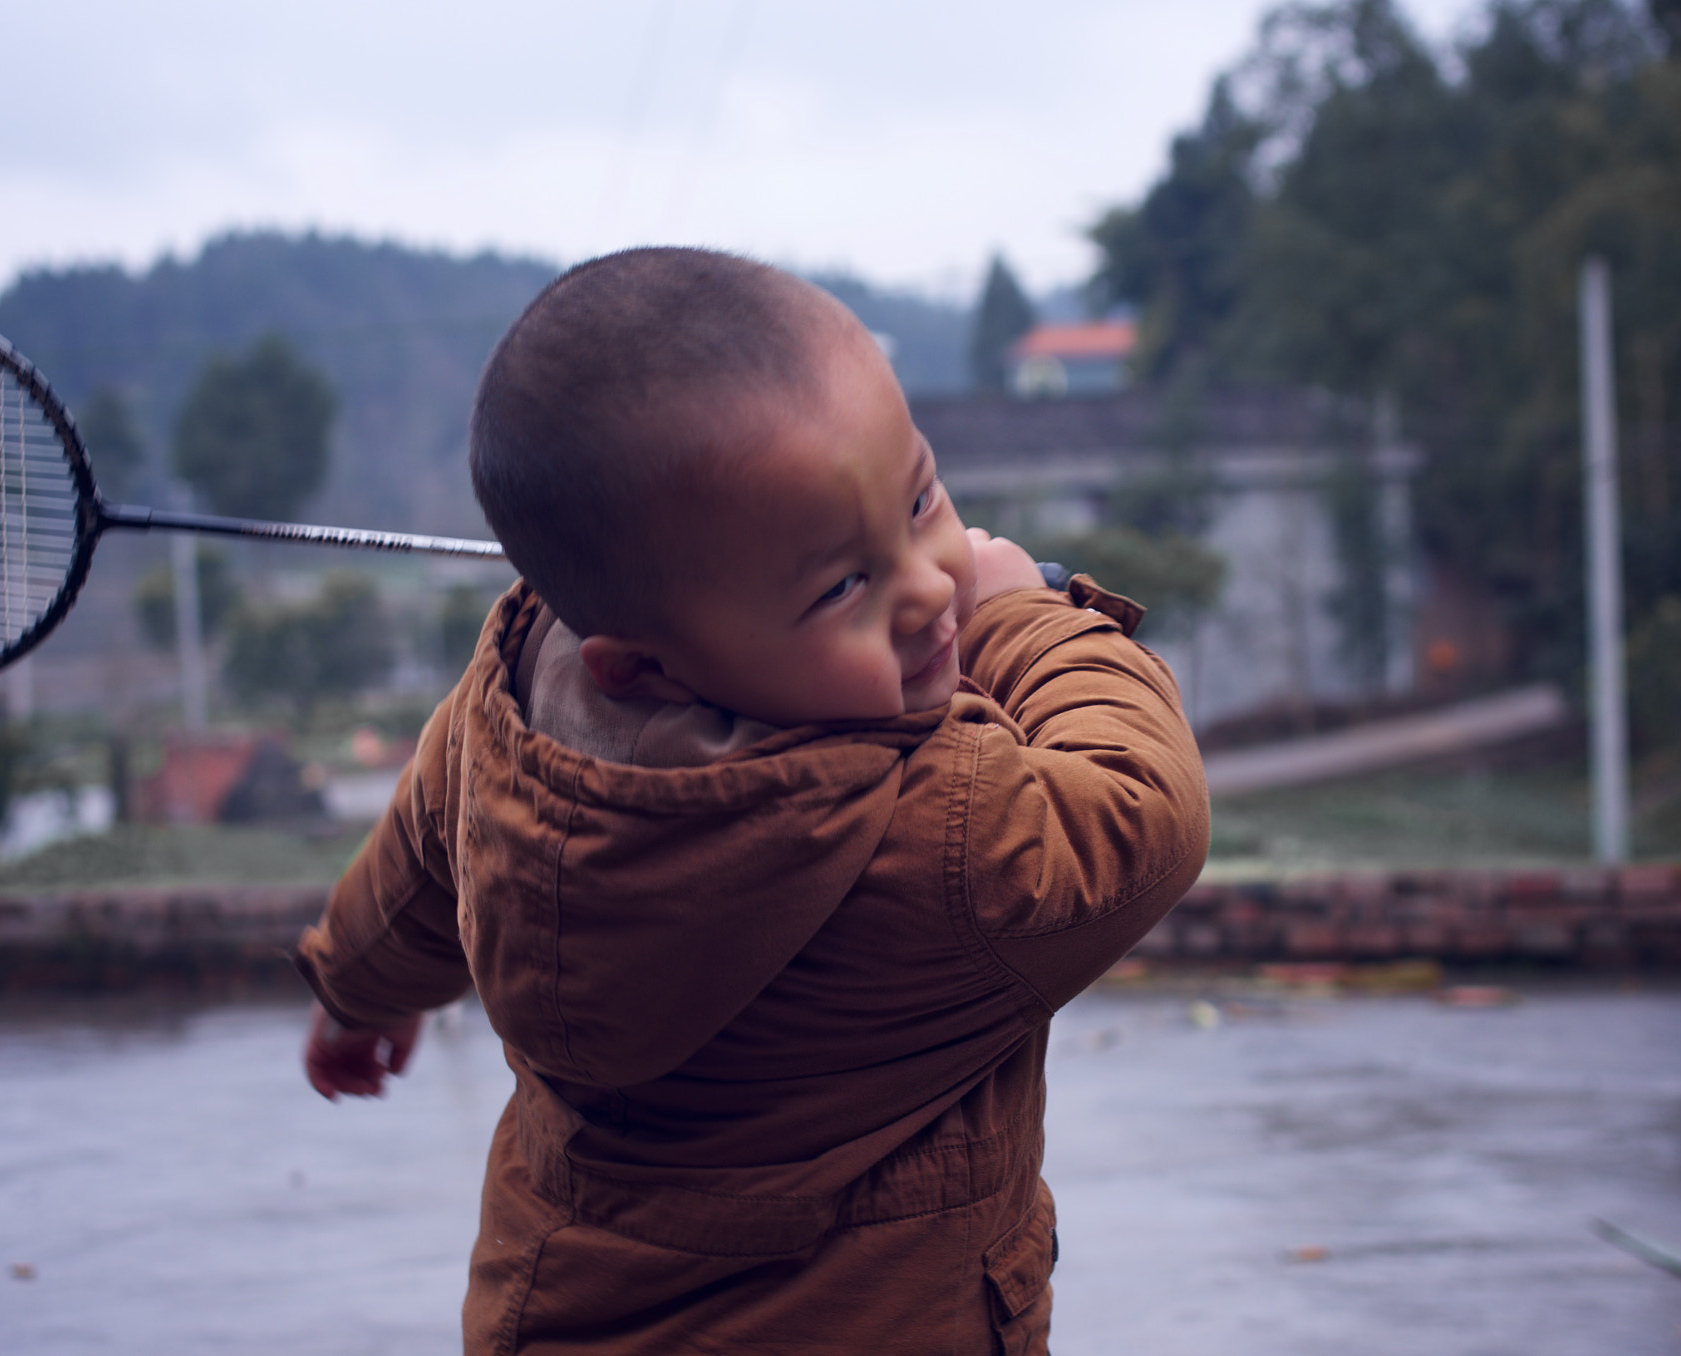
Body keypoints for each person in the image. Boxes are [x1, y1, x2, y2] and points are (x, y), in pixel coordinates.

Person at [294, 247, 1209, 1354]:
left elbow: (417, 858)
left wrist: (357, 988)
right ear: (641, 664)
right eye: (840, 585)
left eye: (916, 496)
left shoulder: (514, 718)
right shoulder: (932, 841)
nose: (928, 588)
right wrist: (1025, 619)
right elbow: (1143, 810)